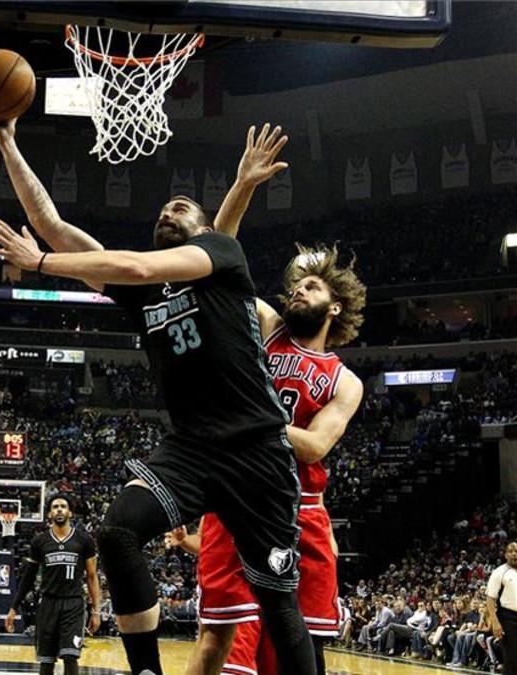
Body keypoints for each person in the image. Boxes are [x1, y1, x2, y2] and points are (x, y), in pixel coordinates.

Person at [0, 109, 315, 674]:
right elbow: (54, 225)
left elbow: (125, 262)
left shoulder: (222, 257)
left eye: (180, 208)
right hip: (194, 450)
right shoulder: (147, 292)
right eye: (161, 210)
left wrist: (37, 262)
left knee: (278, 602)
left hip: (258, 449)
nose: (166, 212)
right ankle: (148, 671)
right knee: (116, 530)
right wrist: (7, 140)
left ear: (205, 229)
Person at [171, 125, 366, 675]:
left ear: (335, 307)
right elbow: (221, 257)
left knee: (301, 653)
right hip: (235, 498)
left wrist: (252, 417)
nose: (298, 290)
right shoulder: (269, 326)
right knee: (219, 644)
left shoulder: (344, 379)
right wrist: (243, 184)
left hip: (299, 511)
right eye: (297, 286)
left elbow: (315, 447)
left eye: (313, 288)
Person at [4, 496, 102, 675]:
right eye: (55, 507)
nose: (59, 510)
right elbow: (28, 577)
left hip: (74, 604)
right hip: (48, 604)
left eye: (63, 506)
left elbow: (92, 576)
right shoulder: (40, 541)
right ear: (49, 513)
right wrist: (13, 608)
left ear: (70, 512)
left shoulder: (84, 540)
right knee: (46, 660)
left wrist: (96, 611)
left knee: (70, 656)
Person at [486, 540, 517, 673]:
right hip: (508, 617)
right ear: (505, 555)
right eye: (511, 551)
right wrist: (495, 622)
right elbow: (490, 599)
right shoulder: (499, 572)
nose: (514, 554)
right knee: (512, 659)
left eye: (516, 551)